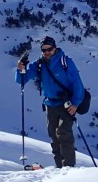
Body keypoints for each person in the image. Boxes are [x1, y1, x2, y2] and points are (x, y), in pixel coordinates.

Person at [16, 36, 85, 168]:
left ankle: (69, 168)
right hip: (50, 104)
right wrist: (21, 69)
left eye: (49, 49)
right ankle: (60, 168)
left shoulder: (65, 62)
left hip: (66, 103)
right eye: (44, 50)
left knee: (63, 132)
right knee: (54, 136)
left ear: (54, 48)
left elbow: (77, 83)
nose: (47, 52)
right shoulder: (39, 64)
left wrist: (75, 103)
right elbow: (22, 80)